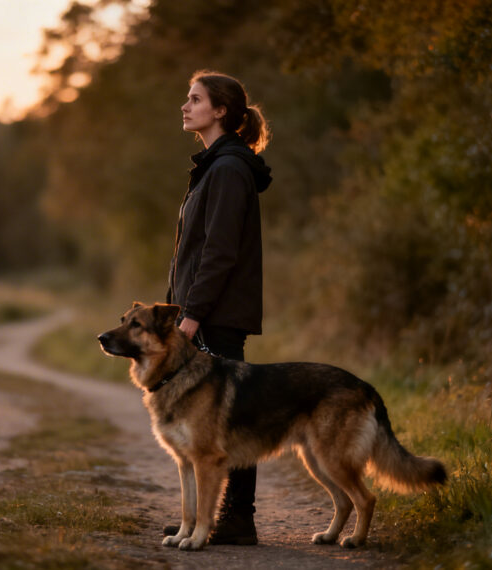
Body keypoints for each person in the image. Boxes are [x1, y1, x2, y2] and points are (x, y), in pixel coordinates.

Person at [165, 70, 272, 546]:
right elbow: (194, 251)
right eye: (187, 99)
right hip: (204, 309)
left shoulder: (227, 169)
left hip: (216, 313)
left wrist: (192, 315)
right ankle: (219, 516)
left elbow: (220, 252)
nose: (185, 107)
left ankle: (237, 518)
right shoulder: (215, 165)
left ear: (221, 111)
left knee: (232, 420)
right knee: (215, 419)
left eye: (195, 99)